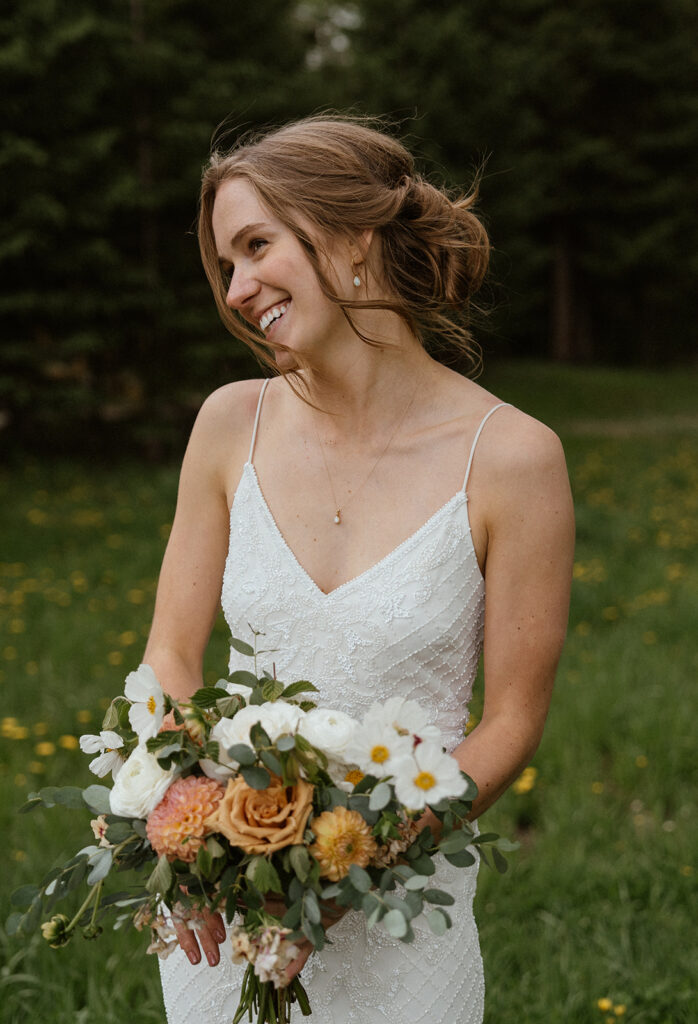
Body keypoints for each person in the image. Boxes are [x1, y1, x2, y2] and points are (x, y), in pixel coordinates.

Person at [148, 114, 575, 1023]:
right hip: (231, 922)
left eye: (257, 246)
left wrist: (356, 862)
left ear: (350, 238)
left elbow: (510, 722)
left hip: (402, 921)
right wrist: (195, 839)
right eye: (226, 265)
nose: (237, 288)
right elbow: (173, 659)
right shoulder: (229, 425)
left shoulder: (513, 460)